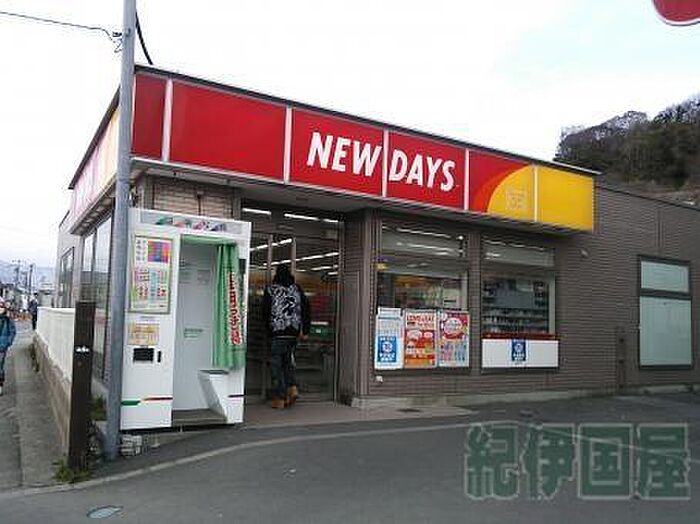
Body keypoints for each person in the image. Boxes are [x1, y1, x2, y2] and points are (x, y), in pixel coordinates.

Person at [262, 265, 310, 409]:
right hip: (292, 333)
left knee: (276, 367)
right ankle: (292, 388)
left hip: (277, 333)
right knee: (287, 363)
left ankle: (280, 398)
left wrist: (268, 330)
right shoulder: (297, 289)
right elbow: (306, 309)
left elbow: (265, 312)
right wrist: (305, 330)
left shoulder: (271, 289)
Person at [0, 299, 17, 396]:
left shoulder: (8, 318)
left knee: (0, 365)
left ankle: (0, 385)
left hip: (2, 346)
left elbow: (13, 331)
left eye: (1, 306)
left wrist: (8, 342)